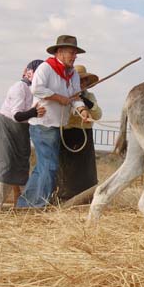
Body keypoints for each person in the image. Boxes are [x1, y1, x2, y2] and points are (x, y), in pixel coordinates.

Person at [16, 35, 91, 208]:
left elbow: (75, 97)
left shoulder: (72, 75)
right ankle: (39, 204)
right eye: (71, 52)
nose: (74, 56)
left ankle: (26, 204)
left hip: (56, 124)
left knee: (42, 166)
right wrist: (59, 98)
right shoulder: (46, 68)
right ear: (59, 51)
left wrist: (82, 110)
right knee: (49, 165)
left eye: (75, 53)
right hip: (43, 123)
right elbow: (37, 88)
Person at [0, 60, 46, 211]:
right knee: (3, 163)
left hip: (23, 129)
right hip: (6, 126)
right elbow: (16, 115)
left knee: (22, 165)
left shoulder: (38, 90)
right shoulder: (19, 87)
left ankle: (24, 203)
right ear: (29, 72)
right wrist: (34, 112)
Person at [56, 65, 103, 201]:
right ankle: (64, 197)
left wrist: (87, 103)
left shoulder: (90, 96)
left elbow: (98, 114)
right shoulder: (65, 95)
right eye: (79, 81)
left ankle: (86, 197)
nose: (82, 83)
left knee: (85, 168)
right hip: (67, 135)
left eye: (84, 81)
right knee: (67, 168)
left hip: (84, 135)